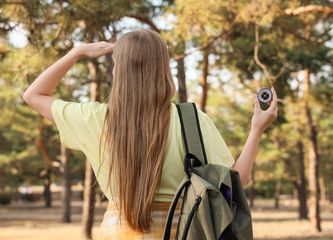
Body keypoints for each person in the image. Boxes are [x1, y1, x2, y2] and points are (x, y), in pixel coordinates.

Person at [23, 29, 277, 239]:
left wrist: (77, 52)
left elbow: (33, 95)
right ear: (162, 68)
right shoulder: (190, 120)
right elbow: (233, 187)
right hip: (182, 232)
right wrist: (257, 128)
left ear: (118, 71)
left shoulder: (96, 118)